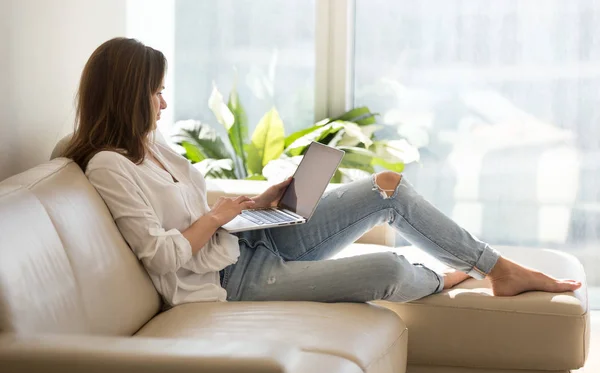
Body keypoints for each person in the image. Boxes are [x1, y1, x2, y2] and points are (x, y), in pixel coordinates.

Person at [63, 38, 581, 308]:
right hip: (232, 281)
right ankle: (442, 278)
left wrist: (258, 205)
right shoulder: (109, 166)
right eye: (155, 91)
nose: (164, 102)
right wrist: (218, 214)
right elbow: (160, 255)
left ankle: (498, 269)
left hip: (246, 243)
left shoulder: (153, 148)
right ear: (128, 95)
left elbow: (196, 214)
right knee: (389, 271)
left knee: (387, 187)